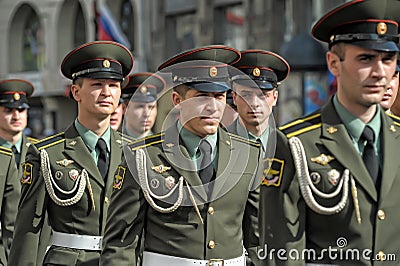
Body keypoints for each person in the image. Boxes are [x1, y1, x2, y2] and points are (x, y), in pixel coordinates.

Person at [260, 0, 400, 265]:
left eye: (388, 59)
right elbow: (282, 253)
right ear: (334, 63)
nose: (380, 72)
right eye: (366, 59)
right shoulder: (294, 144)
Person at [101, 45, 263, 265]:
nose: (213, 107)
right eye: (202, 96)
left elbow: (257, 238)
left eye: (219, 96)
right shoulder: (142, 156)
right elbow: (120, 245)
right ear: (178, 100)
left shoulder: (248, 154)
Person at [9, 40, 134, 265]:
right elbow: (28, 230)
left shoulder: (134, 154)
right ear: (76, 92)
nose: (106, 92)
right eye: (97, 84)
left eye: (114, 85)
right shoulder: (47, 154)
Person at [228, 49, 290, 155]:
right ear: (234, 98)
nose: (254, 103)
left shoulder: (287, 146)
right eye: (246, 95)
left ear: (275, 98)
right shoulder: (218, 144)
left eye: (263, 95)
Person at [121, 72, 165, 139]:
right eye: (140, 107)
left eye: (151, 107)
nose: (147, 114)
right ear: (124, 109)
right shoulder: (112, 144)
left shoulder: (164, 146)